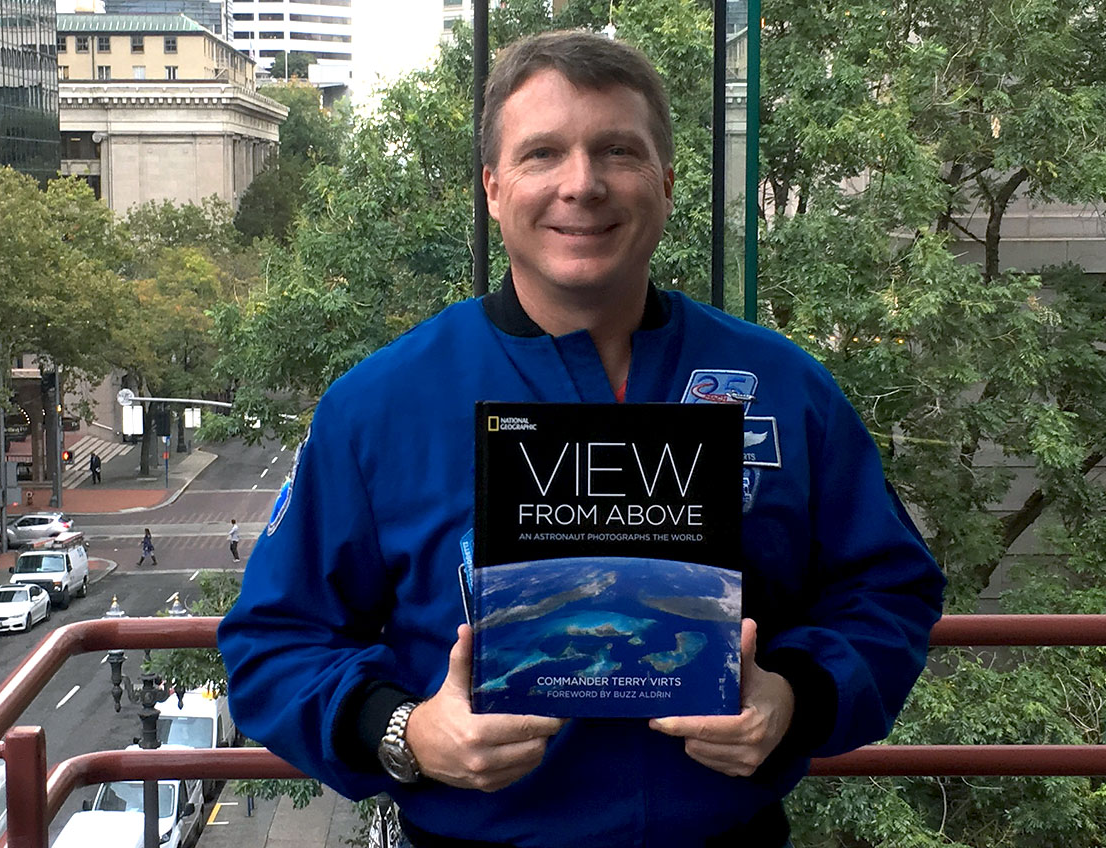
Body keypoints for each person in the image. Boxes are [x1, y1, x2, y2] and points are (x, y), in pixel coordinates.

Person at [218, 31, 945, 848]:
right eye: (541, 154)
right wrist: (406, 732)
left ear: (666, 185)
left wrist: (796, 698)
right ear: (494, 190)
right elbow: (274, 641)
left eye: (617, 151)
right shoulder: (378, 405)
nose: (582, 185)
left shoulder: (784, 388)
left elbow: (889, 591)